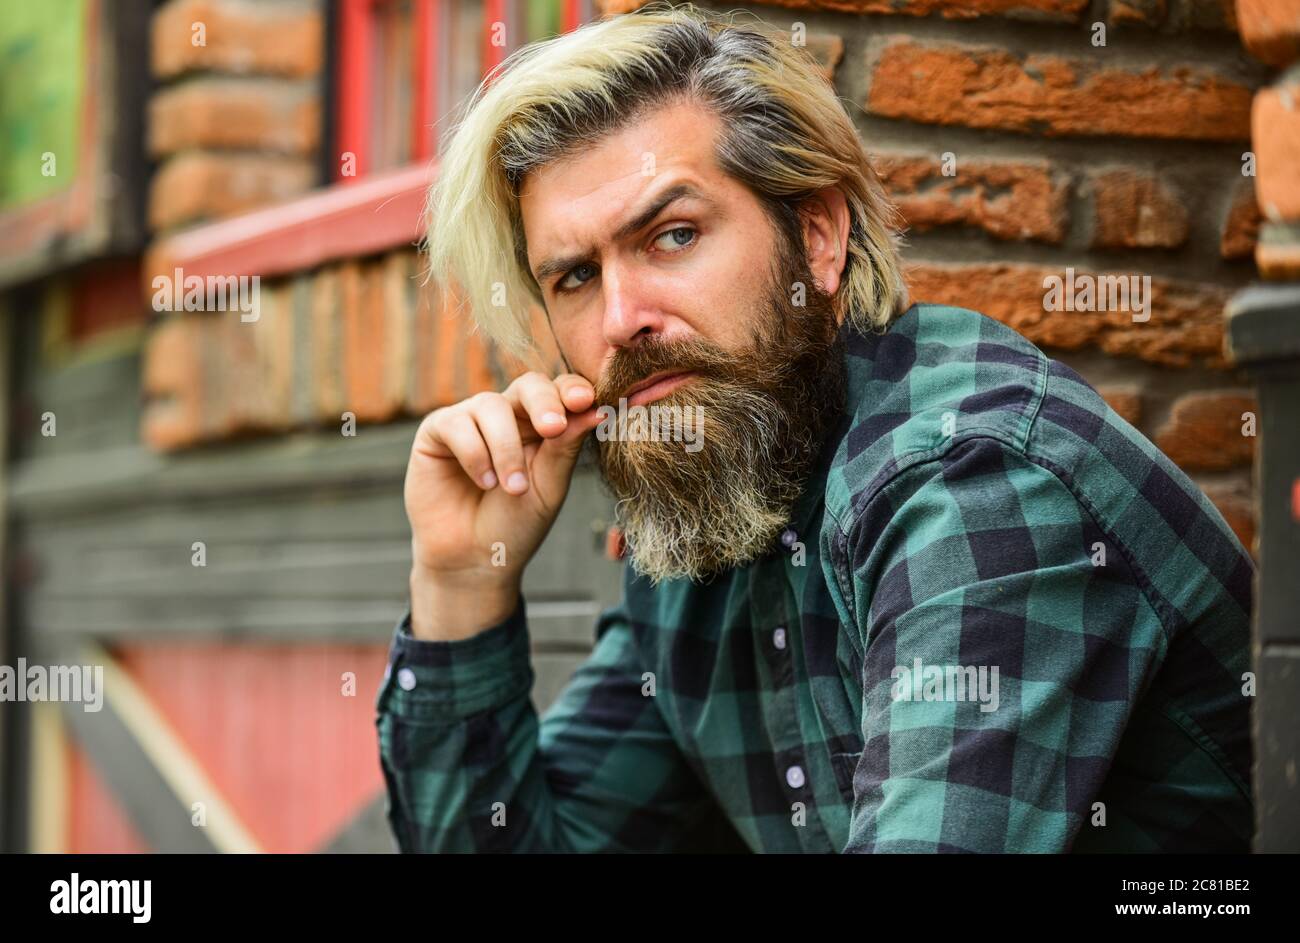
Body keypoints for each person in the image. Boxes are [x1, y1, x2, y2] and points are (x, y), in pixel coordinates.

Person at [374, 4, 1254, 853]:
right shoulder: (708, 522)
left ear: (820, 236)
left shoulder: (971, 481)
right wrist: (460, 584)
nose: (619, 319)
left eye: (673, 236)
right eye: (571, 277)